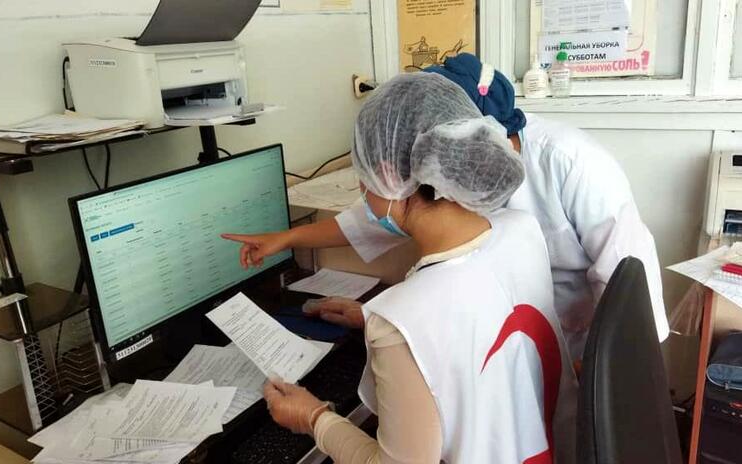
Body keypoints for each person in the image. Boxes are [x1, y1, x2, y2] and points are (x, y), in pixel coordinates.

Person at [223, 54, 669, 360]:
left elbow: (632, 293)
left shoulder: (575, 164)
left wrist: (594, 386)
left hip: (577, 353)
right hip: (497, 346)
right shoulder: (441, 188)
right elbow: (376, 220)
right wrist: (288, 238)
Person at [229, 73, 578, 463]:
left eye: (362, 177)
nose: (362, 190)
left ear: (390, 175)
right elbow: (481, 320)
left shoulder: (402, 319)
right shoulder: (522, 230)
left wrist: (313, 418)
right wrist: (371, 318)